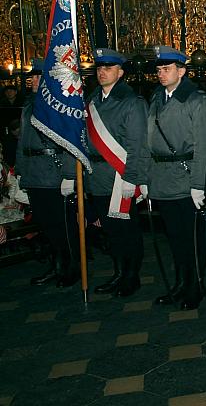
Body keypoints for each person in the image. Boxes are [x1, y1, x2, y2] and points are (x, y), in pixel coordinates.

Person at [147, 46, 206, 310]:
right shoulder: (156, 98)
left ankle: (195, 285)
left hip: (186, 179)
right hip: (162, 179)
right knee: (174, 238)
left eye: (167, 69)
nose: (161, 74)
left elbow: (203, 145)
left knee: (192, 240)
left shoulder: (197, 100)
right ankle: (179, 283)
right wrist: (146, 179)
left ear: (182, 71)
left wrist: (199, 184)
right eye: (159, 69)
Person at [86, 48, 149, 297]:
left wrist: (131, 178)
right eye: (99, 68)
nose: (102, 72)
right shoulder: (92, 100)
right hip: (97, 177)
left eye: (108, 68)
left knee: (127, 231)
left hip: (118, 175)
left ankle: (131, 276)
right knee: (109, 231)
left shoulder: (131, 102)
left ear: (120, 73)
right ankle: (118, 272)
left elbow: (137, 145)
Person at [16, 59, 79, 287]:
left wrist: (69, 174)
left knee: (62, 225)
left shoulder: (60, 105)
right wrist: (21, 170)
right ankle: (56, 265)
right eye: (32, 77)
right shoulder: (30, 104)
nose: (33, 80)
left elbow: (71, 141)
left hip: (54, 171)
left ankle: (70, 267)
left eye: (38, 77)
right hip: (34, 172)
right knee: (46, 225)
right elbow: (22, 140)